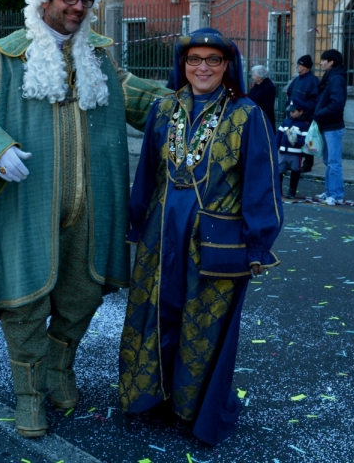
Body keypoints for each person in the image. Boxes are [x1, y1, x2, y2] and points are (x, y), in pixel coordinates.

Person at [0, 0, 167, 438]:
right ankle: (28, 395)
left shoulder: (101, 59)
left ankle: (59, 369)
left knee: (83, 295)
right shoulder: (0, 58)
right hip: (25, 207)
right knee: (25, 302)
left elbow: (145, 100)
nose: (78, 7)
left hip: (93, 205)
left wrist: (205, 98)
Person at [119, 28, 283, 445]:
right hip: (161, 235)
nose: (203, 67)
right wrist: (137, 221)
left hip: (216, 239)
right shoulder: (163, 109)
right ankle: (151, 396)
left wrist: (258, 243)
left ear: (227, 66)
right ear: (183, 65)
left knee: (201, 323)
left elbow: (261, 185)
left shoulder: (247, 115)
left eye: (213, 60)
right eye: (194, 59)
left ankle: (192, 408)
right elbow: (147, 175)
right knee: (155, 313)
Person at [313, 49, 347, 205]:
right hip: (326, 125)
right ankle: (329, 192)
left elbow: (337, 104)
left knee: (334, 162)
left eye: (323, 60)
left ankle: (337, 194)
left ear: (331, 62)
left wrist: (320, 113)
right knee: (328, 161)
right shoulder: (330, 77)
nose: (320, 63)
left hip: (333, 126)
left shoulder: (336, 79)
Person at [286, 54, 319, 172]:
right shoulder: (296, 80)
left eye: (299, 65)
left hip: (305, 116)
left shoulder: (313, 81)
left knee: (306, 140)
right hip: (293, 116)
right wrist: (288, 108)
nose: (296, 67)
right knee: (293, 139)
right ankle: (293, 161)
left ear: (305, 67)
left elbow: (315, 100)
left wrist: (302, 110)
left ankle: (308, 163)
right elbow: (289, 95)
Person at [277, 97, 309, 198]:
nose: (291, 113)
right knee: (278, 170)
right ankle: (278, 190)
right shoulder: (286, 122)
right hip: (283, 152)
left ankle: (292, 191)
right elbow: (278, 135)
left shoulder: (304, 125)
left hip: (295, 153)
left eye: (293, 111)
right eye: (290, 111)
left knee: (295, 171)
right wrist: (275, 146)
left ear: (301, 112)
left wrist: (296, 141)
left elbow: (305, 139)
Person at [248, 64, 276, 132]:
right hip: (255, 115)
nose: (252, 77)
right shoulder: (257, 84)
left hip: (263, 118)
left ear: (260, 77)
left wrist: (261, 118)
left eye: (254, 75)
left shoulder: (269, 87)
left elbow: (268, 106)